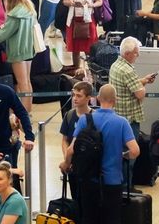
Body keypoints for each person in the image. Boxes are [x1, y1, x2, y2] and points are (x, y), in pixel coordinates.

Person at [62, 84, 139, 224]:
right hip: (112, 181)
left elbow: (70, 150)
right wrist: (124, 155)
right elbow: (135, 151)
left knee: (89, 218)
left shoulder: (85, 119)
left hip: (88, 180)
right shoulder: (121, 123)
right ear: (115, 100)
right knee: (112, 219)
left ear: (97, 98)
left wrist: (66, 164)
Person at [109, 37, 156, 140]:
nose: (138, 55)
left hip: (118, 114)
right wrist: (143, 87)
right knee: (131, 151)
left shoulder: (115, 65)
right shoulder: (128, 70)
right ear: (127, 54)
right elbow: (140, 94)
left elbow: (127, 85)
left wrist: (144, 80)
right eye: (135, 53)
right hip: (129, 118)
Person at [63, 0, 101, 68]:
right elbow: (65, 1)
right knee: (75, 48)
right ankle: (76, 69)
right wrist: (71, 3)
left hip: (87, 18)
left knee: (90, 47)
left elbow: (99, 1)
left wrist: (90, 5)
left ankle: (92, 69)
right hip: (74, 18)